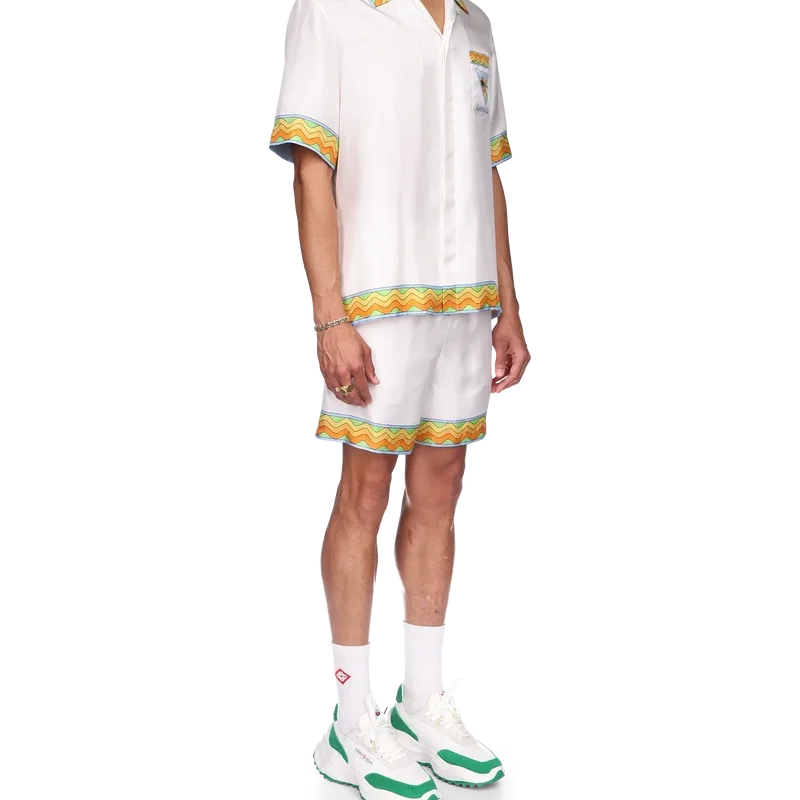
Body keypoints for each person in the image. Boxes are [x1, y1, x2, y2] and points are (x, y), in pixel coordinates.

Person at [269, 0, 528, 796]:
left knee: (441, 492)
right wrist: (330, 316)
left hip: (467, 302)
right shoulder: (333, 12)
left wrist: (508, 308)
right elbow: (313, 167)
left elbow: (488, 175)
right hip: (378, 301)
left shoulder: (475, 26)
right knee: (364, 493)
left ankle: (422, 704)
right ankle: (348, 720)